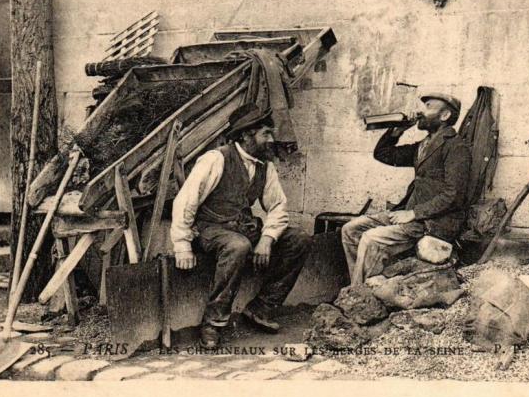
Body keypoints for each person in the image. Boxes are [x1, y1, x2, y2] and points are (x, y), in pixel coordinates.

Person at [170, 103, 311, 349]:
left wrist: (267, 239)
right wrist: (182, 244)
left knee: (299, 238)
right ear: (246, 135)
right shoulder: (216, 159)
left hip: (243, 229)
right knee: (238, 245)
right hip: (210, 229)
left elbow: (277, 206)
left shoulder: (265, 166)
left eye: (271, 133)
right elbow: (186, 200)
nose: (271, 139)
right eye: (265, 133)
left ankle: (262, 307)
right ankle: (213, 323)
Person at [341, 92, 471, 285]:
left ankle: (359, 294)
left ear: (444, 116)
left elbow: (454, 196)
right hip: (412, 216)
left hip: (433, 223)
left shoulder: (455, 147)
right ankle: (361, 287)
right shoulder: (424, 145)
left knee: (371, 239)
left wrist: (414, 213)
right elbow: (384, 154)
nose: (420, 110)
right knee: (351, 229)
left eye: (428, 106)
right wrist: (397, 131)